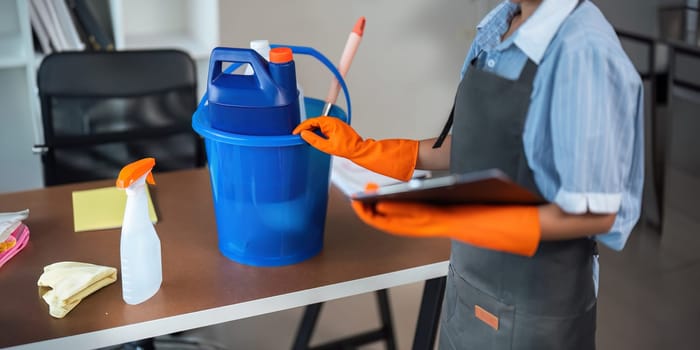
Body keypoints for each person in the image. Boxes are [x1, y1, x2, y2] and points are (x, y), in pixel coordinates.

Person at [293, 0, 643, 349]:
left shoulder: (584, 51)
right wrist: (365, 149)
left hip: (535, 311)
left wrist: (462, 215)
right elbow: (474, 145)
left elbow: (596, 211)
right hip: (469, 286)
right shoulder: (497, 29)